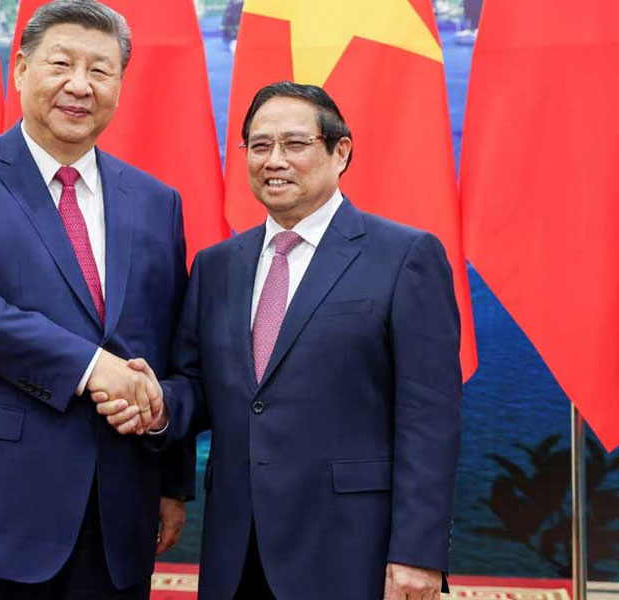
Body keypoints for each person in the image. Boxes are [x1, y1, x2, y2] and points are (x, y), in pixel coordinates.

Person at [98, 82, 462, 599]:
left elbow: (431, 418)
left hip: (352, 549)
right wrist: (155, 404)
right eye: (260, 145)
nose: (275, 160)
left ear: (341, 151)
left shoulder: (404, 256)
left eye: (295, 144)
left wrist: (418, 554)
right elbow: (198, 386)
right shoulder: (217, 266)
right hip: (236, 547)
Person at [0, 1, 191, 598]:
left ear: (120, 83)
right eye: (61, 64)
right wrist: (93, 369)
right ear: (21, 69)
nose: (79, 85)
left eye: (101, 70)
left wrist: (171, 479)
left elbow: (167, 345)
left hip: (119, 511)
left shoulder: (155, 200)